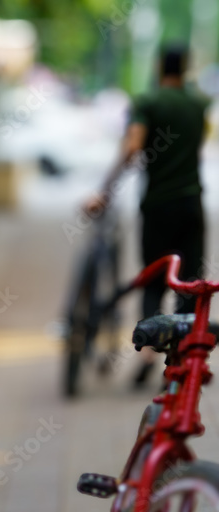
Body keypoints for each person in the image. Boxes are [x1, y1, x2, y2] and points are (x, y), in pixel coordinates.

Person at [85, 45, 210, 386]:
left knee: (154, 279)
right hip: (191, 203)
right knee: (188, 283)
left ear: (158, 66)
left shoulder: (148, 103)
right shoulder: (198, 104)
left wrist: (105, 189)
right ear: (185, 68)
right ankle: (180, 362)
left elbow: (133, 147)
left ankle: (152, 352)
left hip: (157, 205)